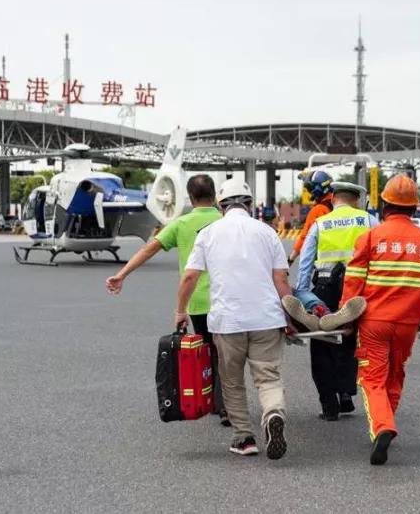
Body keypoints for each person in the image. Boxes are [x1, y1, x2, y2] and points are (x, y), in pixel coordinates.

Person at [330, 174, 420, 465]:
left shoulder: (370, 237)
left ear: (384, 206)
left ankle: (382, 426)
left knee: (373, 378)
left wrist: (344, 316)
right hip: (408, 324)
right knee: (395, 373)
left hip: (374, 322)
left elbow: (353, 281)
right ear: (414, 208)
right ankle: (386, 421)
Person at [175, 178, 291, 460]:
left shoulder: (208, 233)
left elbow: (190, 276)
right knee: (268, 377)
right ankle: (273, 414)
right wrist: (289, 316)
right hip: (267, 318)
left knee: (232, 381)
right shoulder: (267, 232)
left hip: (228, 321)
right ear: (250, 204)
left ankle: (244, 438)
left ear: (221, 205)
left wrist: (180, 310)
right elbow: (281, 279)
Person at [106, 175, 228, 425]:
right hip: (228, 298)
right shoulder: (226, 222)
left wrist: (121, 275)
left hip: (198, 301)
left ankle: (217, 402)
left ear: (190, 198)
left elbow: (148, 249)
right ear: (215, 195)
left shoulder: (181, 223)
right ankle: (227, 404)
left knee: (208, 350)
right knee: (228, 352)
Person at [282, 181, 376, 420]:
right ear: (356, 200)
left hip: (325, 286)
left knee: (322, 344)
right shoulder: (369, 221)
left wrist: (302, 292)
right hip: (357, 291)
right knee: (349, 340)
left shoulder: (320, 224)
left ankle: (329, 404)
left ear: (333, 199)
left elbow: (305, 267)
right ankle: (345, 395)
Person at [288, 170, 334, 264]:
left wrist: (290, 259)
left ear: (317, 189)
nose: (309, 192)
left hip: (325, 263)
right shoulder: (340, 204)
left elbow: (305, 237)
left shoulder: (318, 210)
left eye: (309, 188)